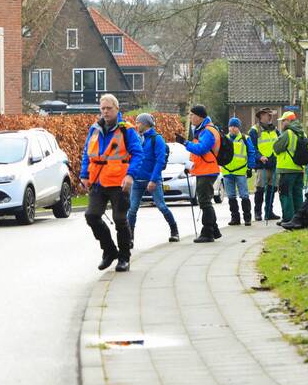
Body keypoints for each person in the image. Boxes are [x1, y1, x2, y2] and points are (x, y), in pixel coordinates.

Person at [80, 94, 143, 272]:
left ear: (117, 109)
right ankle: (109, 251)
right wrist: (84, 174)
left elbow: (138, 154)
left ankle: (124, 258)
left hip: (119, 182)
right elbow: (87, 153)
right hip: (98, 181)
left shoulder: (126, 130)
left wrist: (130, 175)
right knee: (91, 216)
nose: (105, 112)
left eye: (109, 108)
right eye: (103, 109)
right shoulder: (94, 129)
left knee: (120, 219)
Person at [127, 113, 180, 243]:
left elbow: (160, 161)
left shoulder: (157, 139)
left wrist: (153, 179)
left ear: (145, 124)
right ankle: (129, 238)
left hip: (153, 180)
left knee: (161, 206)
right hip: (137, 180)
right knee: (132, 209)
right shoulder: (137, 139)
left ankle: (174, 231)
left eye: (138, 122)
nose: (136, 124)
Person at [175, 104, 223, 243]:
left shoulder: (207, 131)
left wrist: (185, 142)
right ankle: (214, 230)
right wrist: (190, 166)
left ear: (199, 116)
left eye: (192, 115)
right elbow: (198, 154)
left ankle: (207, 232)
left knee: (204, 202)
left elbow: (201, 149)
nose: (190, 117)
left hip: (208, 170)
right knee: (205, 201)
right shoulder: (202, 130)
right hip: (204, 169)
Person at [220, 116, 256, 226]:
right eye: (231, 126)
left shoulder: (245, 138)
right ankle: (235, 218)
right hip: (227, 172)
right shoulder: (224, 138)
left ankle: (247, 218)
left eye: (235, 126)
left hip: (240, 172)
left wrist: (250, 167)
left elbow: (251, 153)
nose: (232, 128)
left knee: (244, 195)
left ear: (238, 127)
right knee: (231, 196)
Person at [272, 111, 305, 225]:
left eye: (284, 121)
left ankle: (288, 219)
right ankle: (299, 218)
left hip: (286, 169)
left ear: (289, 120)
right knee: (297, 194)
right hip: (299, 169)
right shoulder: (302, 133)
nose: (282, 123)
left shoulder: (288, 133)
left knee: (285, 194)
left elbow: (276, 148)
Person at [249, 108, 280, 221]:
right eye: (268, 115)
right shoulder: (254, 130)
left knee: (272, 189)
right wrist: (259, 157)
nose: (270, 117)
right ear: (261, 116)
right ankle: (258, 213)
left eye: (271, 115)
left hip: (273, 163)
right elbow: (252, 148)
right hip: (262, 164)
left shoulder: (275, 130)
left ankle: (269, 212)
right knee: (260, 189)